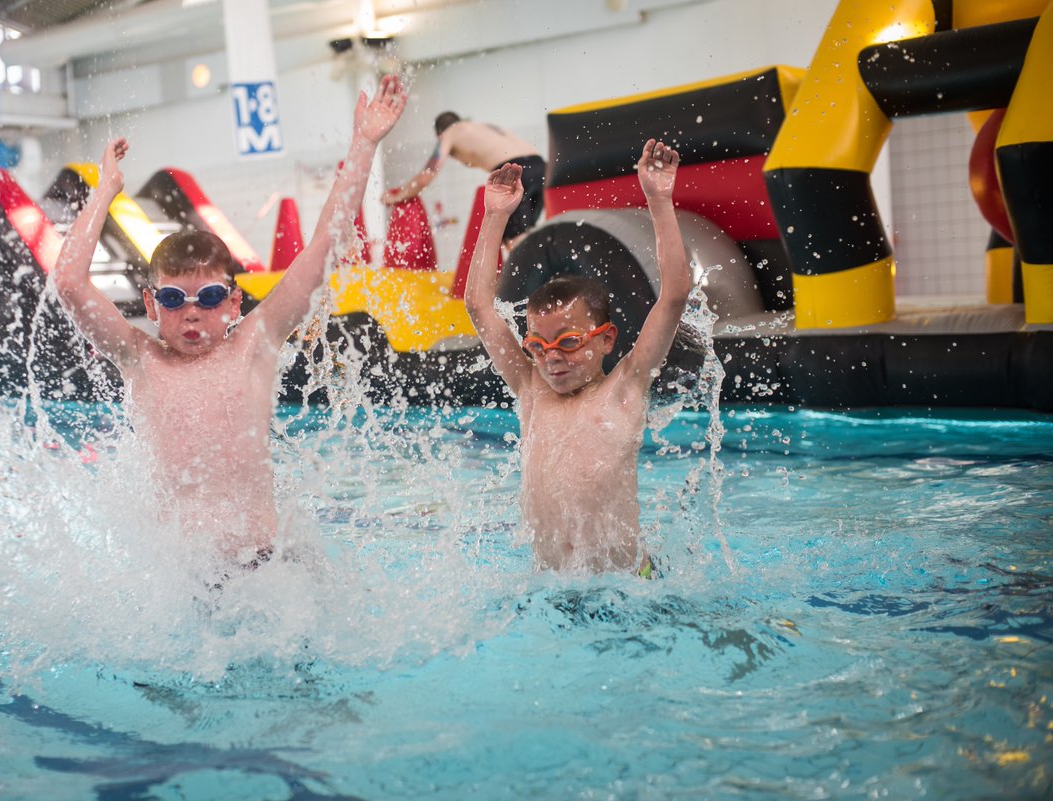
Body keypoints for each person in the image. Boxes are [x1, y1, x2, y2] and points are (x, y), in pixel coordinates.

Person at [52, 75, 407, 569]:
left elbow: (325, 242)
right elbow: (68, 283)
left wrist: (364, 146)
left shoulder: (254, 346)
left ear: (234, 302)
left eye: (210, 296)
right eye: (173, 299)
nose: (192, 311)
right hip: (188, 576)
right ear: (151, 306)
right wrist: (105, 190)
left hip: (270, 566)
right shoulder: (139, 356)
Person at [463, 139, 690, 574]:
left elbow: (674, 296)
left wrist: (659, 200)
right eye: (537, 346)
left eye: (568, 343)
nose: (551, 359)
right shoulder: (531, 392)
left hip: (629, 589)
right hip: (556, 591)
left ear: (606, 340)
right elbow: (479, 307)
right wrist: (495, 217)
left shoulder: (626, 388)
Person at [382, 112, 545, 248]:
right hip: (543, 168)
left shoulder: (449, 134)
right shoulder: (480, 128)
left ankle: (535, 285)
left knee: (514, 240)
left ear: (439, 133)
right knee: (527, 236)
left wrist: (399, 195)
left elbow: (427, 176)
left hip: (515, 172)